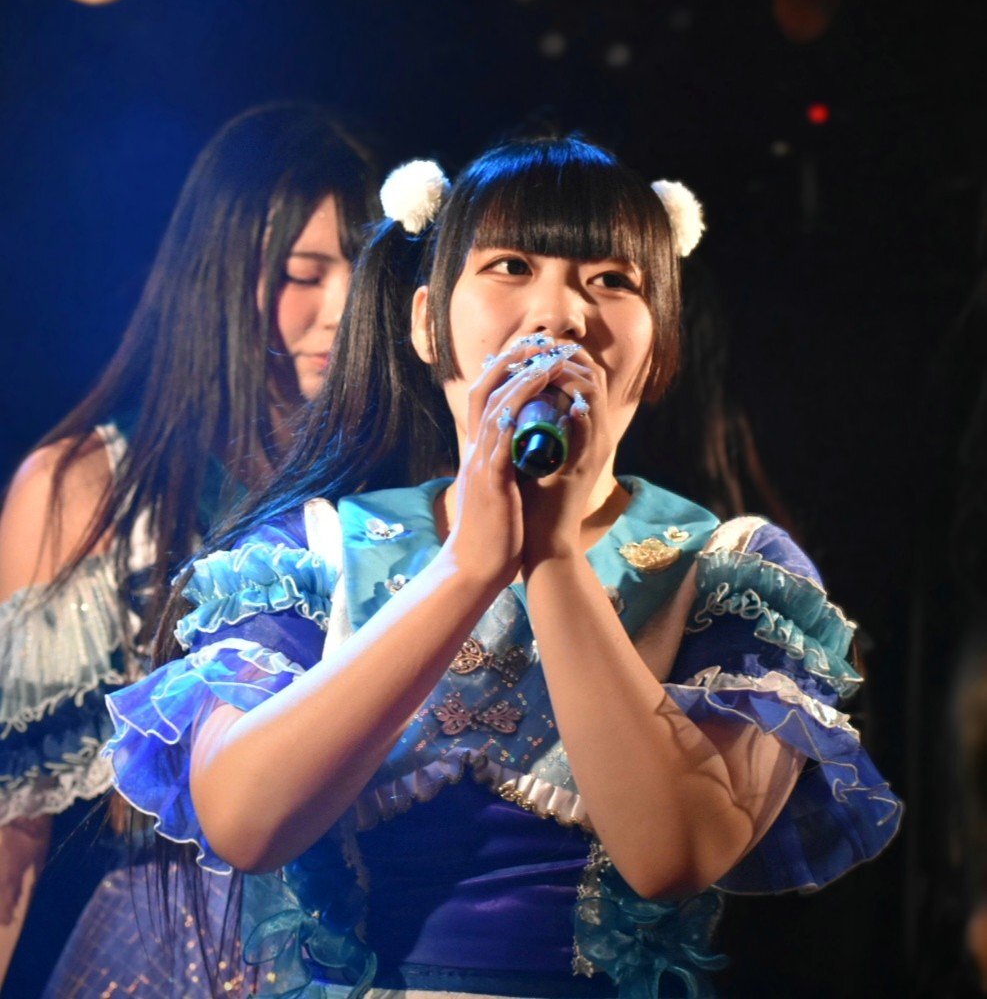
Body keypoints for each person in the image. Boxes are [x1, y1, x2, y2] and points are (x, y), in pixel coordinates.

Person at [106, 135, 901, 998]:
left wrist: (551, 557)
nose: (560, 316)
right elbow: (243, 823)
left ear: (660, 348)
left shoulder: (729, 573)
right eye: (511, 266)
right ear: (425, 322)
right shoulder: (316, 551)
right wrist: (466, 568)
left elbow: (673, 853)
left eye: (612, 280)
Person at [0, 101, 377, 996]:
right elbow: (14, 826)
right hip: (168, 944)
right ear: (220, 276)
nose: (340, 309)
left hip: (357, 943)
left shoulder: (396, 496)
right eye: (302, 274)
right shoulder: (89, 483)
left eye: (362, 274)